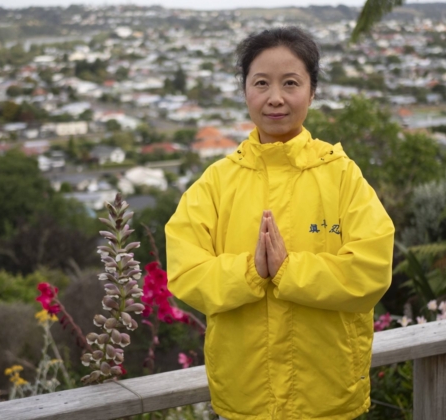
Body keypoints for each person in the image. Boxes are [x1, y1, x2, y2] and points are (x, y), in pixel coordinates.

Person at [165, 27, 394, 419]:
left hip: (328, 397)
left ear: (312, 91)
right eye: (261, 83)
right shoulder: (216, 183)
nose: (275, 97)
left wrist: (289, 270)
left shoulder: (342, 176)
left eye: (290, 83)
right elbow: (185, 272)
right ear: (245, 91)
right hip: (244, 397)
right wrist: (250, 272)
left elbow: (371, 270)